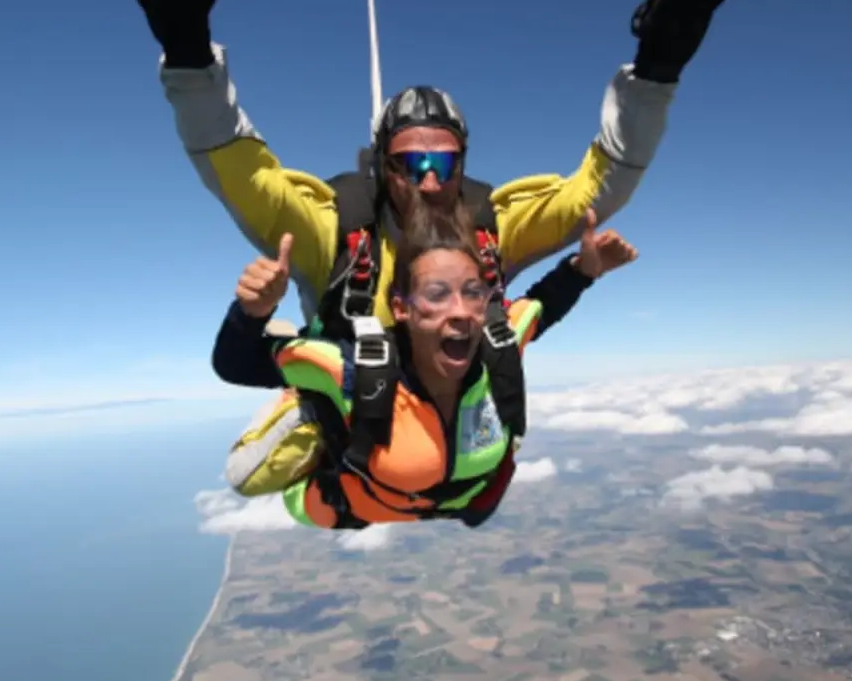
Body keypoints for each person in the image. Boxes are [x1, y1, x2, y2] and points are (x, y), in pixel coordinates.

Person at [110, 0, 741, 340]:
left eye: (446, 164)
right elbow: (236, 170)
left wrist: (655, 74)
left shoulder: (490, 228)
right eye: (413, 166)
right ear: (383, 167)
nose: (433, 182)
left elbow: (600, 192)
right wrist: (188, 53)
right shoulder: (329, 234)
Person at [211, 189, 640, 529]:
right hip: (352, 504)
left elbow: (546, 302)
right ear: (401, 309)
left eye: (472, 292)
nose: (459, 310)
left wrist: (584, 270)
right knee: (245, 476)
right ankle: (310, 405)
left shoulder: (499, 340)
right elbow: (235, 365)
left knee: (475, 506)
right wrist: (252, 313)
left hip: (460, 498)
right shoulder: (353, 369)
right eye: (436, 294)